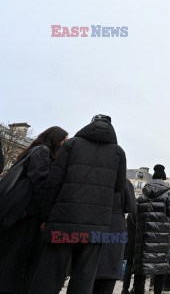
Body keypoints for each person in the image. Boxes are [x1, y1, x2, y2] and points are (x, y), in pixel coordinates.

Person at [31, 115, 126, 294]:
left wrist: (45, 216)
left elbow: (53, 182)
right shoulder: (118, 152)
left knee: (50, 274)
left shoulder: (71, 144)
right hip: (96, 226)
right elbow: (118, 187)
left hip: (64, 220)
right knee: (84, 278)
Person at [0, 126, 68, 294]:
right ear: (55, 139)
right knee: (14, 262)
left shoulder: (36, 151)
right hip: (24, 213)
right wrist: (46, 216)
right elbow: (41, 184)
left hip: (22, 213)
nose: (66, 144)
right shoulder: (42, 153)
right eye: (64, 140)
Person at [131, 164, 170, 294]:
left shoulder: (143, 192)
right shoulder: (168, 192)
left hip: (144, 235)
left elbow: (135, 213)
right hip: (161, 236)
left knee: (141, 267)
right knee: (160, 268)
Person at [93, 179, 136, 294]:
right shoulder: (125, 182)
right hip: (116, 225)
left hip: (94, 221)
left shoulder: (94, 176)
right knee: (110, 270)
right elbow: (131, 206)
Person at [121, 212, 136, 294]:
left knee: (128, 265)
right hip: (138, 242)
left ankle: (124, 289)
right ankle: (135, 288)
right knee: (138, 266)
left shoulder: (131, 214)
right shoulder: (142, 213)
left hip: (129, 242)